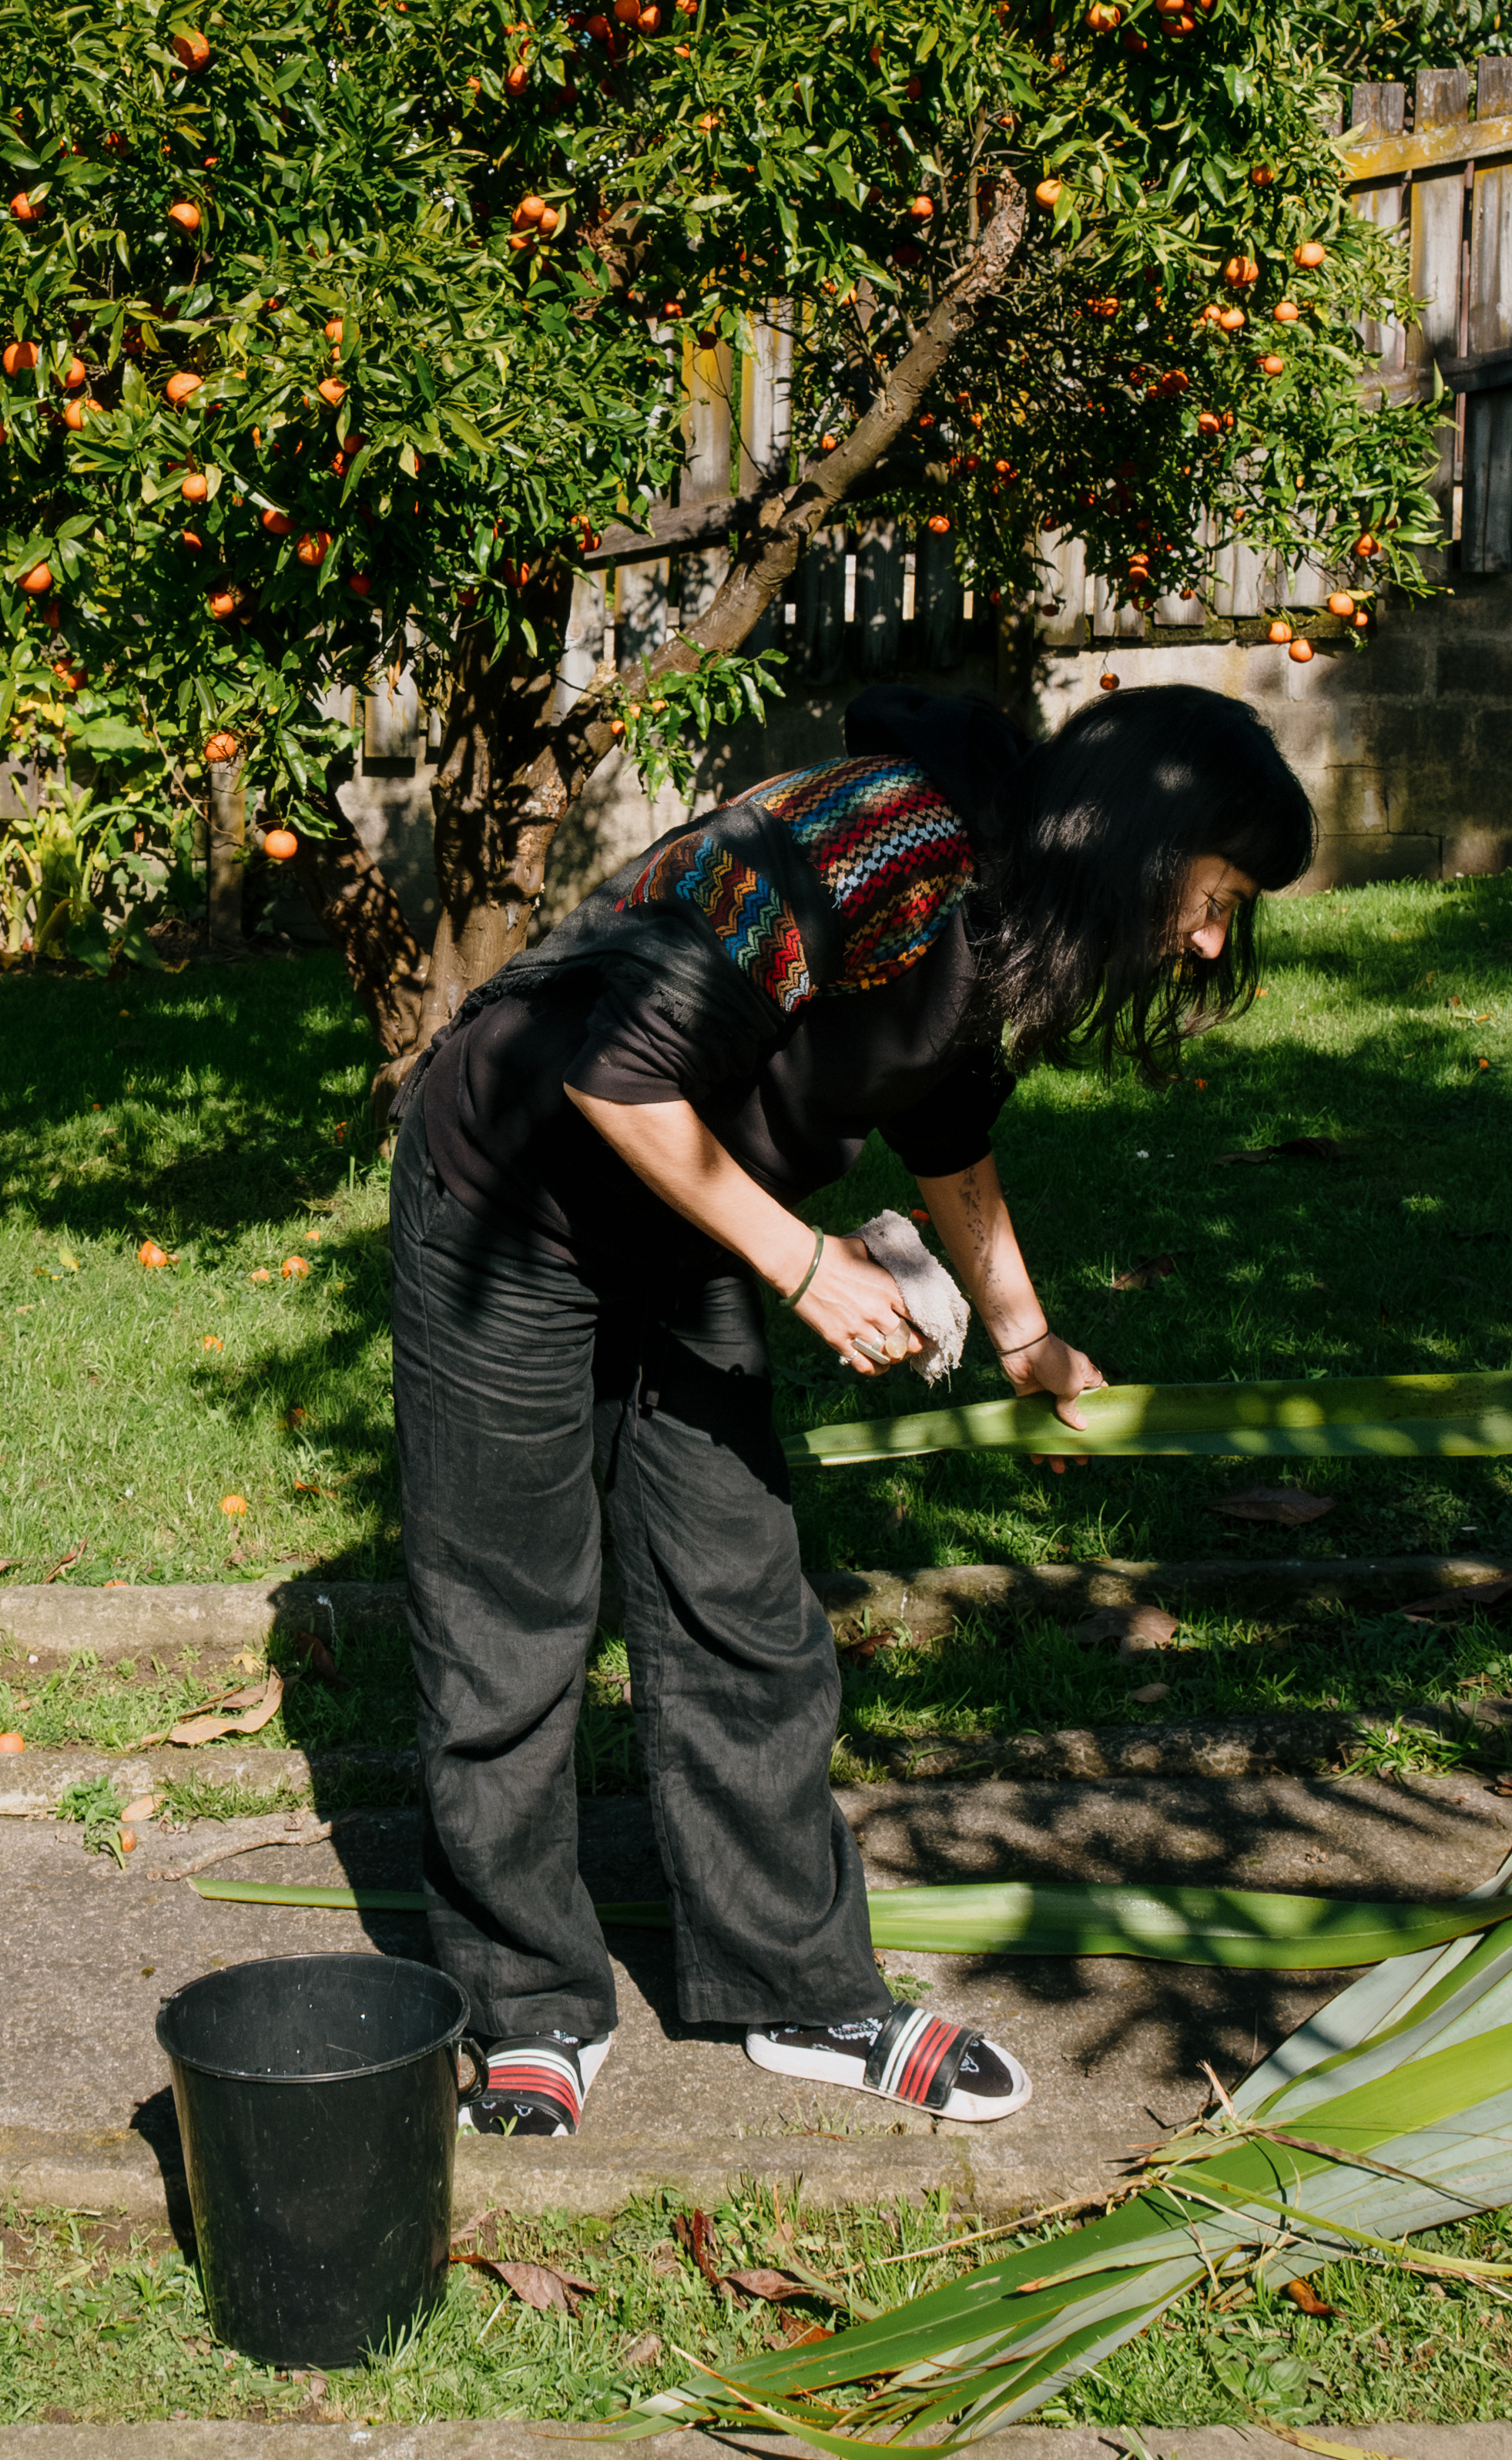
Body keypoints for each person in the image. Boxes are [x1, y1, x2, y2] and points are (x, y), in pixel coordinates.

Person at [390, 682, 1315, 2139]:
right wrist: (805, 1263)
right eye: (1212, 896)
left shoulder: (1007, 908)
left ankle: (799, 1985)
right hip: (512, 1197)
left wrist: (1025, 1332)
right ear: (1146, 838)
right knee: (509, 1611)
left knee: (739, 1601)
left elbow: (943, 1119)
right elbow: (616, 1077)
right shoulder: (877, 844)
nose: (1208, 939)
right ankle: (528, 2003)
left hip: (685, 1222)